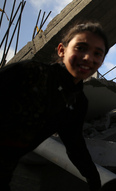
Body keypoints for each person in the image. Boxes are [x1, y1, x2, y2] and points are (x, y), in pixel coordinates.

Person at [0, 22, 109, 191]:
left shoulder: (77, 102)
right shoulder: (27, 72)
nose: (88, 58)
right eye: (81, 48)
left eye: (97, 53)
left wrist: (95, 181)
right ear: (61, 50)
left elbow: (75, 146)